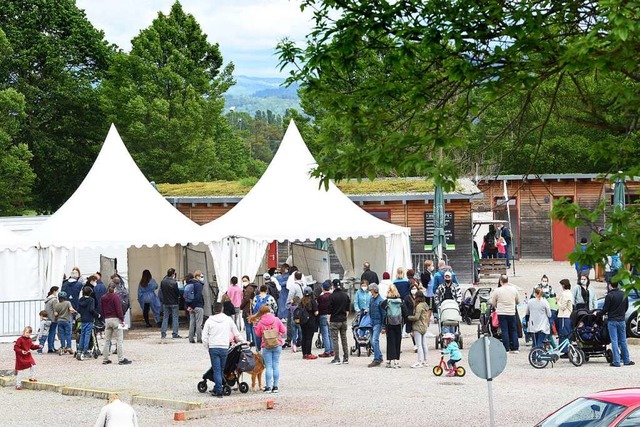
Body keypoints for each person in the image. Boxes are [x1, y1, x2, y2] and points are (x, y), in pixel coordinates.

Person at [202, 302, 244, 398]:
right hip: (224, 347)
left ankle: (219, 390)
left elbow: (204, 336)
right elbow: (236, 333)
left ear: (214, 310)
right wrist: (243, 341)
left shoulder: (209, 321)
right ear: (222, 309)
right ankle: (218, 388)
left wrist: (207, 346)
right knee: (221, 369)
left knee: (216, 370)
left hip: (213, 347)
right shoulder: (228, 320)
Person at [253, 304, 287, 393]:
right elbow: (283, 331)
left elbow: (258, 335)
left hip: (266, 346)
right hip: (277, 344)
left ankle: (268, 387)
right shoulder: (276, 319)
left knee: (268, 366)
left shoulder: (260, 322)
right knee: (275, 365)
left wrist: (256, 326)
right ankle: (275, 386)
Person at [602, 280, 635, 367]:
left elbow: (605, 309)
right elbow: (626, 307)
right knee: (623, 340)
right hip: (621, 320)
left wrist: (599, 314)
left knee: (614, 341)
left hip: (612, 320)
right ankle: (626, 360)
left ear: (610, 285)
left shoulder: (609, 296)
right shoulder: (624, 294)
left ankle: (616, 361)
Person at [100, 283, 132, 365]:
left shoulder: (103, 297)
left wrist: (104, 318)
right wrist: (122, 319)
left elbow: (102, 309)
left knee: (107, 340)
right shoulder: (115, 297)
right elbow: (119, 309)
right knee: (119, 340)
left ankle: (105, 358)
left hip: (107, 319)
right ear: (114, 289)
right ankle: (121, 359)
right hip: (115, 319)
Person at [490, 275, 520, 353]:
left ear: (500, 281)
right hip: (511, 312)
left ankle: (506, 348)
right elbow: (518, 301)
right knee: (513, 329)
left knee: (504, 330)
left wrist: (496, 305)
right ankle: (515, 347)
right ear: (507, 280)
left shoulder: (497, 290)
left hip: (501, 312)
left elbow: (493, 302)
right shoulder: (514, 289)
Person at [328, 279, 350, 365]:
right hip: (343, 319)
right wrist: (345, 318)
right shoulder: (345, 295)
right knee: (344, 339)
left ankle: (337, 358)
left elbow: (329, 311)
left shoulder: (332, 296)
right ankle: (346, 357)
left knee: (335, 339)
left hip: (334, 320)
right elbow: (348, 310)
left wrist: (328, 320)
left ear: (333, 286)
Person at [382, 284, 404, 368]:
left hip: (389, 323)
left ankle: (389, 360)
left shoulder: (387, 302)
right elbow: (405, 312)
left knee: (390, 341)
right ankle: (396, 361)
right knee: (397, 341)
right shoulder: (400, 301)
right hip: (398, 323)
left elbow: (381, 306)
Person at [408, 291, 429, 368]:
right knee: (424, 344)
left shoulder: (419, 306)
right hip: (424, 326)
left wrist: (409, 317)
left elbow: (416, 317)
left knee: (419, 345)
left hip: (418, 326)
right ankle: (425, 361)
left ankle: (419, 361)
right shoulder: (425, 304)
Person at [367, 283, 385, 367]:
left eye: (371, 290)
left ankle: (377, 358)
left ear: (374, 290)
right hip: (372, 322)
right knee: (372, 340)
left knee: (374, 340)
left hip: (377, 323)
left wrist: (383, 326)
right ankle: (379, 356)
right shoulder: (371, 299)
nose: (370, 292)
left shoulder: (380, 301)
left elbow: (383, 314)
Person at [77, 285, 98, 359]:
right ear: (90, 293)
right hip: (89, 318)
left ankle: (80, 349)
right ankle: (86, 349)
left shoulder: (80, 300)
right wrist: (97, 315)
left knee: (82, 334)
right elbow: (91, 309)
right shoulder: (91, 300)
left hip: (83, 318)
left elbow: (78, 309)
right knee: (87, 334)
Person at [160, 268, 181, 339]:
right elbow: (177, 293)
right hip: (174, 302)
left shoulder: (163, 282)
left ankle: (163, 333)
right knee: (175, 318)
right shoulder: (174, 283)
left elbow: (162, 291)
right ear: (173, 274)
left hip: (166, 302)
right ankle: (175, 333)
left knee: (165, 318)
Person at [316, 280, 334, 358]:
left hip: (323, 315)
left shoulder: (321, 297)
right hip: (331, 315)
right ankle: (332, 350)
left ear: (323, 288)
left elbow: (318, 306)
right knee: (331, 334)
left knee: (325, 334)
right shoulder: (332, 296)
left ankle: (327, 351)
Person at [300, 287, 319, 360]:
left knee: (304, 337)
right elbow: (316, 312)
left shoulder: (301, 301)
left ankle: (304, 353)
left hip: (303, 322)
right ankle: (309, 353)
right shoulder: (312, 301)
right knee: (309, 338)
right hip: (310, 322)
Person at [185, 273, 204, 344]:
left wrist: (188, 306)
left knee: (192, 322)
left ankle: (191, 338)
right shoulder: (198, 285)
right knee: (199, 323)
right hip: (198, 306)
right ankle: (199, 339)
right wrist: (193, 305)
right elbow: (198, 296)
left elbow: (185, 296)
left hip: (190, 307)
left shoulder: (188, 285)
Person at [556, 279, 573, 357]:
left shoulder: (565, 294)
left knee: (563, 334)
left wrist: (557, 301)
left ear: (563, 285)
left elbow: (563, 307)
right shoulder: (570, 293)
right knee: (567, 333)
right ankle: (567, 349)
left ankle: (564, 351)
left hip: (564, 316)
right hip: (568, 315)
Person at [241, 280, 258, 346]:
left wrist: (241, 306)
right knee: (252, 326)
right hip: (253, 309)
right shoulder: (255, 288)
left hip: (247, 309)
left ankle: (248, 340)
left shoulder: (248, 289)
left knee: (248, 326)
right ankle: (254, 340)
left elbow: (245, 299)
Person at [44, 286, 59, 353]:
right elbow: (56, 309)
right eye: (57, 291)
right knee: (52, 333)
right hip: (53, 318)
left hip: (48, 317)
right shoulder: (54, 300)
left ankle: (51, 347)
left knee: (50, 332)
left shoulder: (48, 299)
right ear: (54, 291)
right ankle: (51, 347)